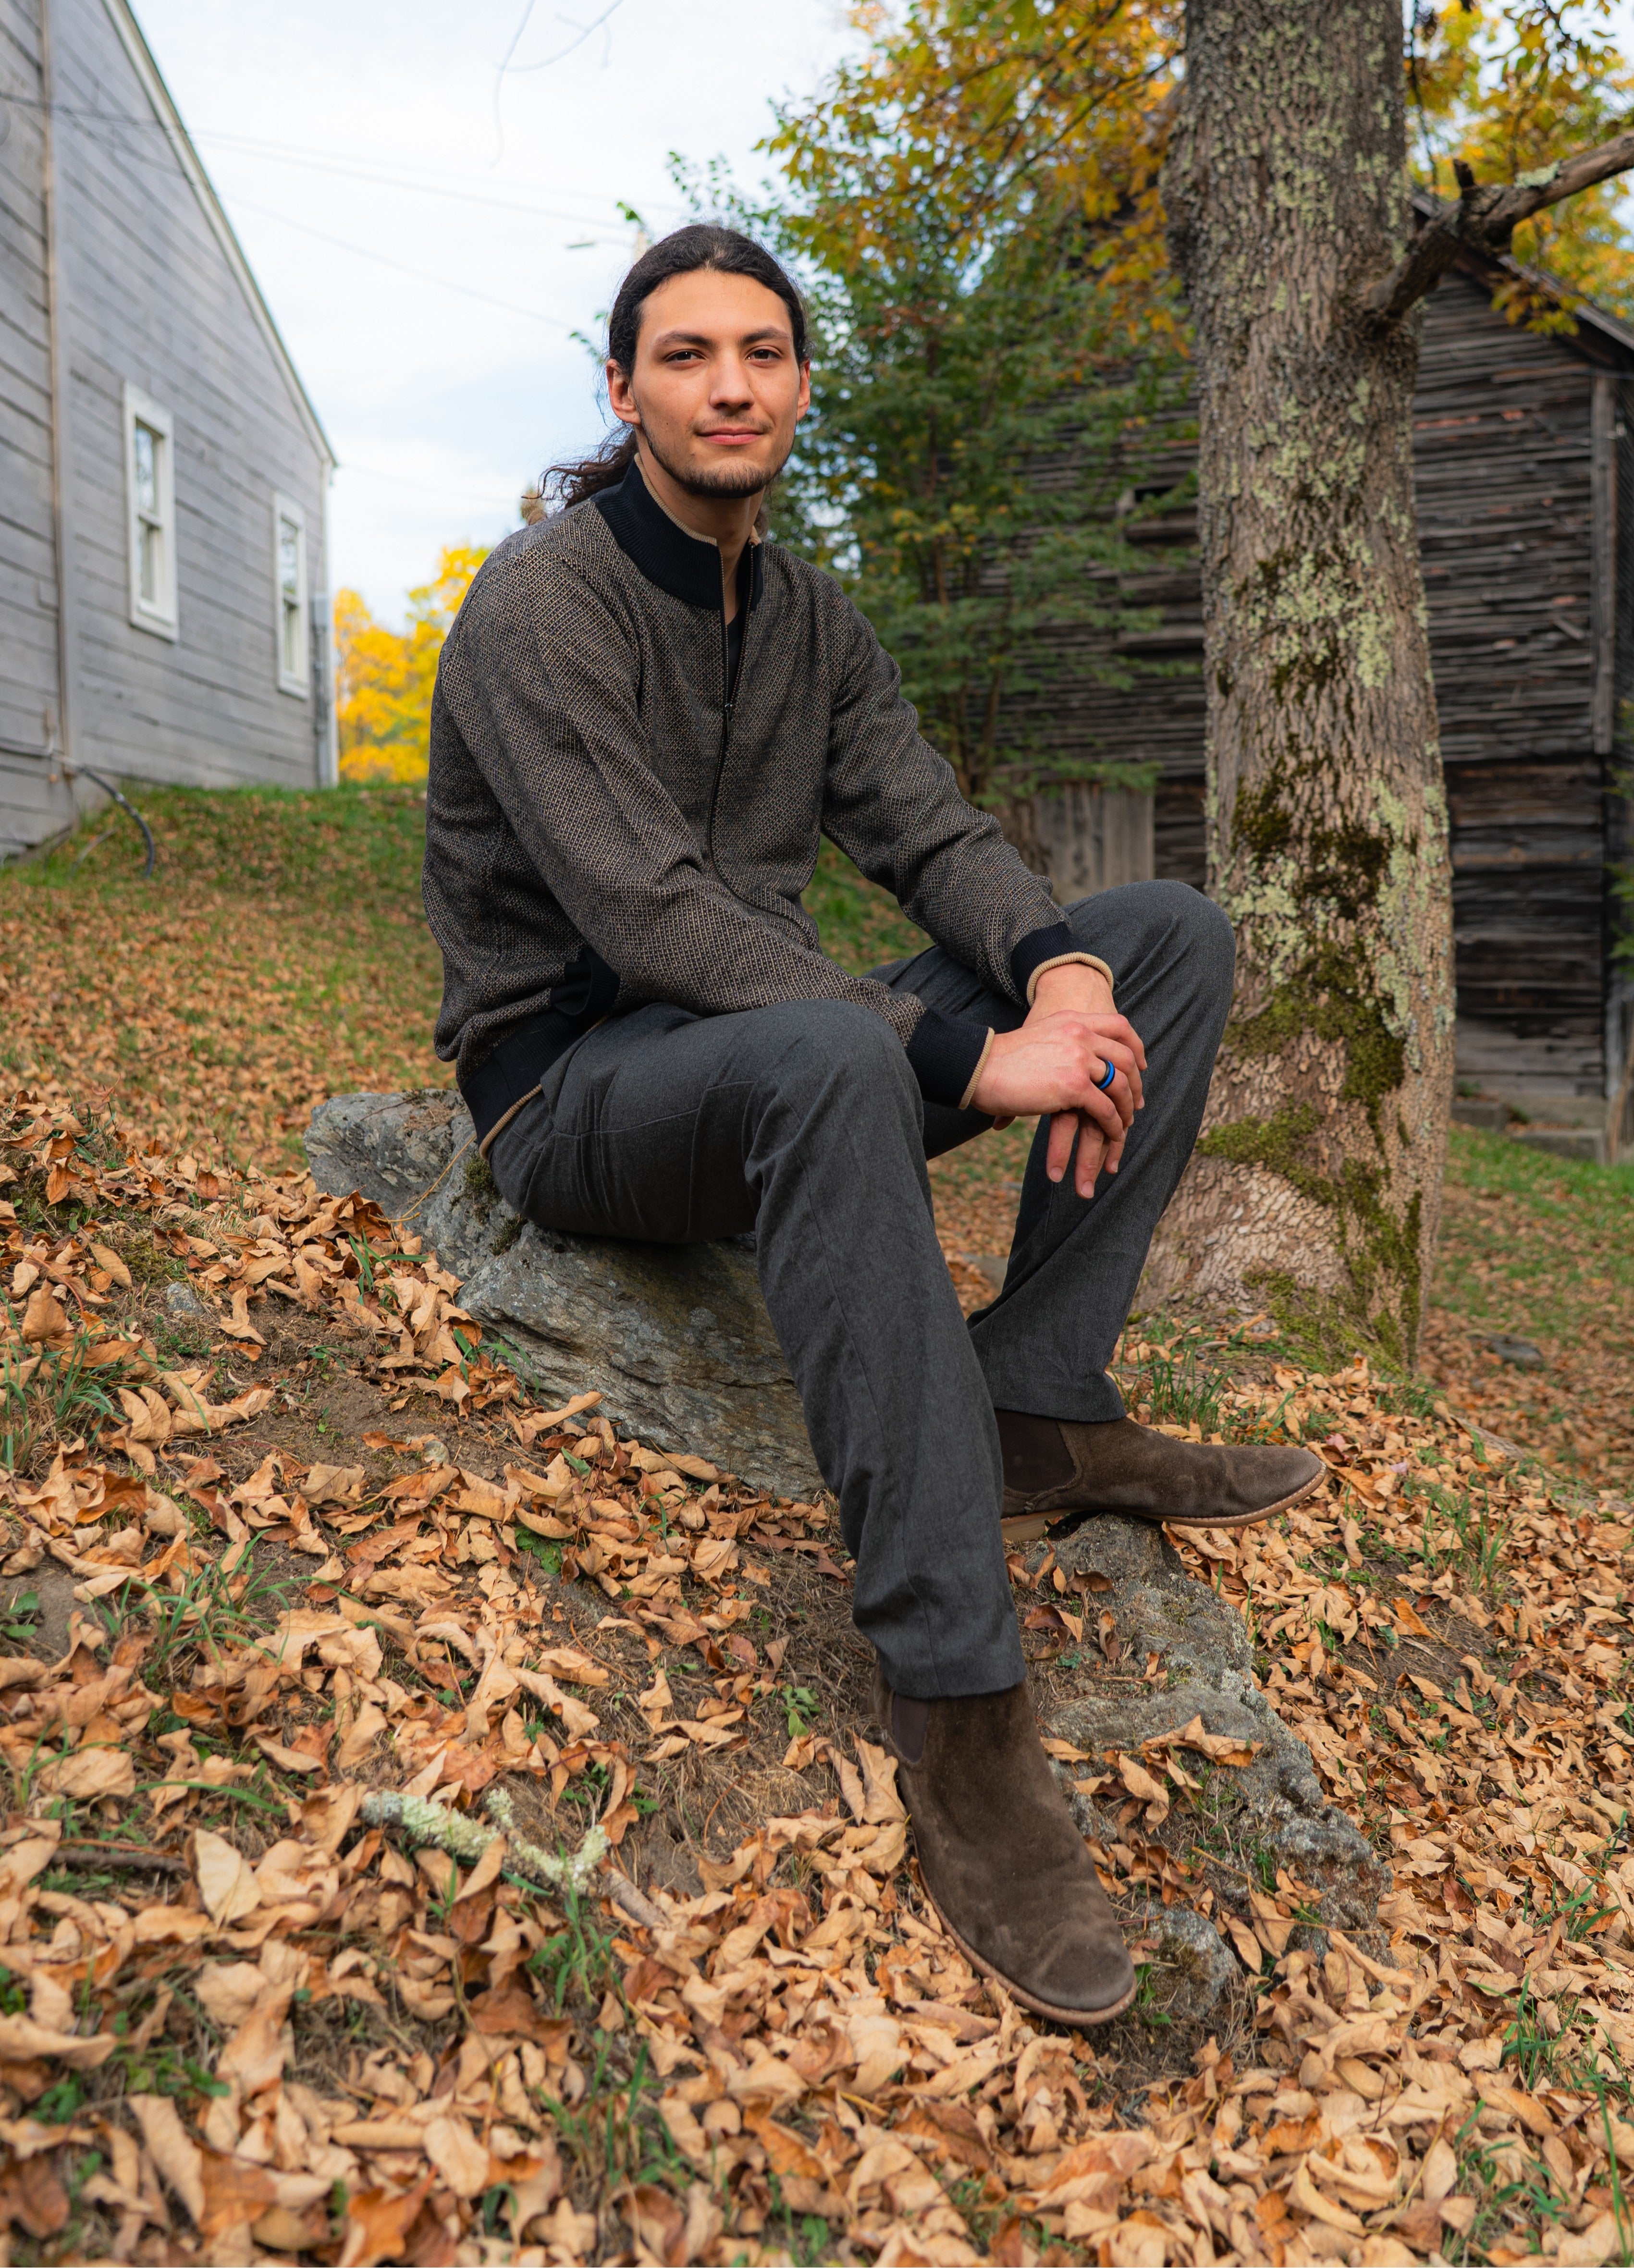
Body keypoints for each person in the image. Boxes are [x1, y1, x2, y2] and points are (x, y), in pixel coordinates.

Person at [422, 225, 1322, 2027]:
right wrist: (960, 1059)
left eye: (761, 351)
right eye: (685, 356)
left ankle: (1040, 1400)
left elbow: (927, 827)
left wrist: (1058, 971)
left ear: (800, 383)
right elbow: (651, 908)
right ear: (623, 390)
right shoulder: (543, 608)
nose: (730, 383)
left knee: (1172, 937)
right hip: (580, 1083)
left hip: (757, 1061)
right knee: (843, 1052)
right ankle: (959, 1701)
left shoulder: (805, 613)